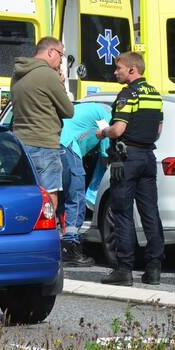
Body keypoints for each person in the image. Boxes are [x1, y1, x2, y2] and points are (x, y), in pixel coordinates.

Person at [101, 51, 166, 287]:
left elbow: (118, 129)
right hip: (148, 157)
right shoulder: (155, 94)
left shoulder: (127, 94)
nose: (115, 72)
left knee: (122, 213)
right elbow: (158, 128)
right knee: (150, 213)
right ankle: (154, 268)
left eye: (118, 68)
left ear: (132, 70)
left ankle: (124, 269)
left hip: (127, 158)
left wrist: (103, 132)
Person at [10, 37, 74, 213]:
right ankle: (47, 233)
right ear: (51, 52)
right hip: (44, 144)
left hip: (20, 143)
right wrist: (60, 84)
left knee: (26, 194)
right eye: (60, 55)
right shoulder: (48, 75)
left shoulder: (17, 74)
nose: (61, 61)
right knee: (49, 196)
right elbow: (69, 111)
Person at [58, 101, 115, 267]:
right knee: (75, 196)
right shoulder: (108, 115)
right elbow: (106, 154)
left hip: (52, 144)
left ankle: (60, 240)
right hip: (68, 145)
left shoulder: (92, 108)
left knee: (60, 195)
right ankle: (70, 246)